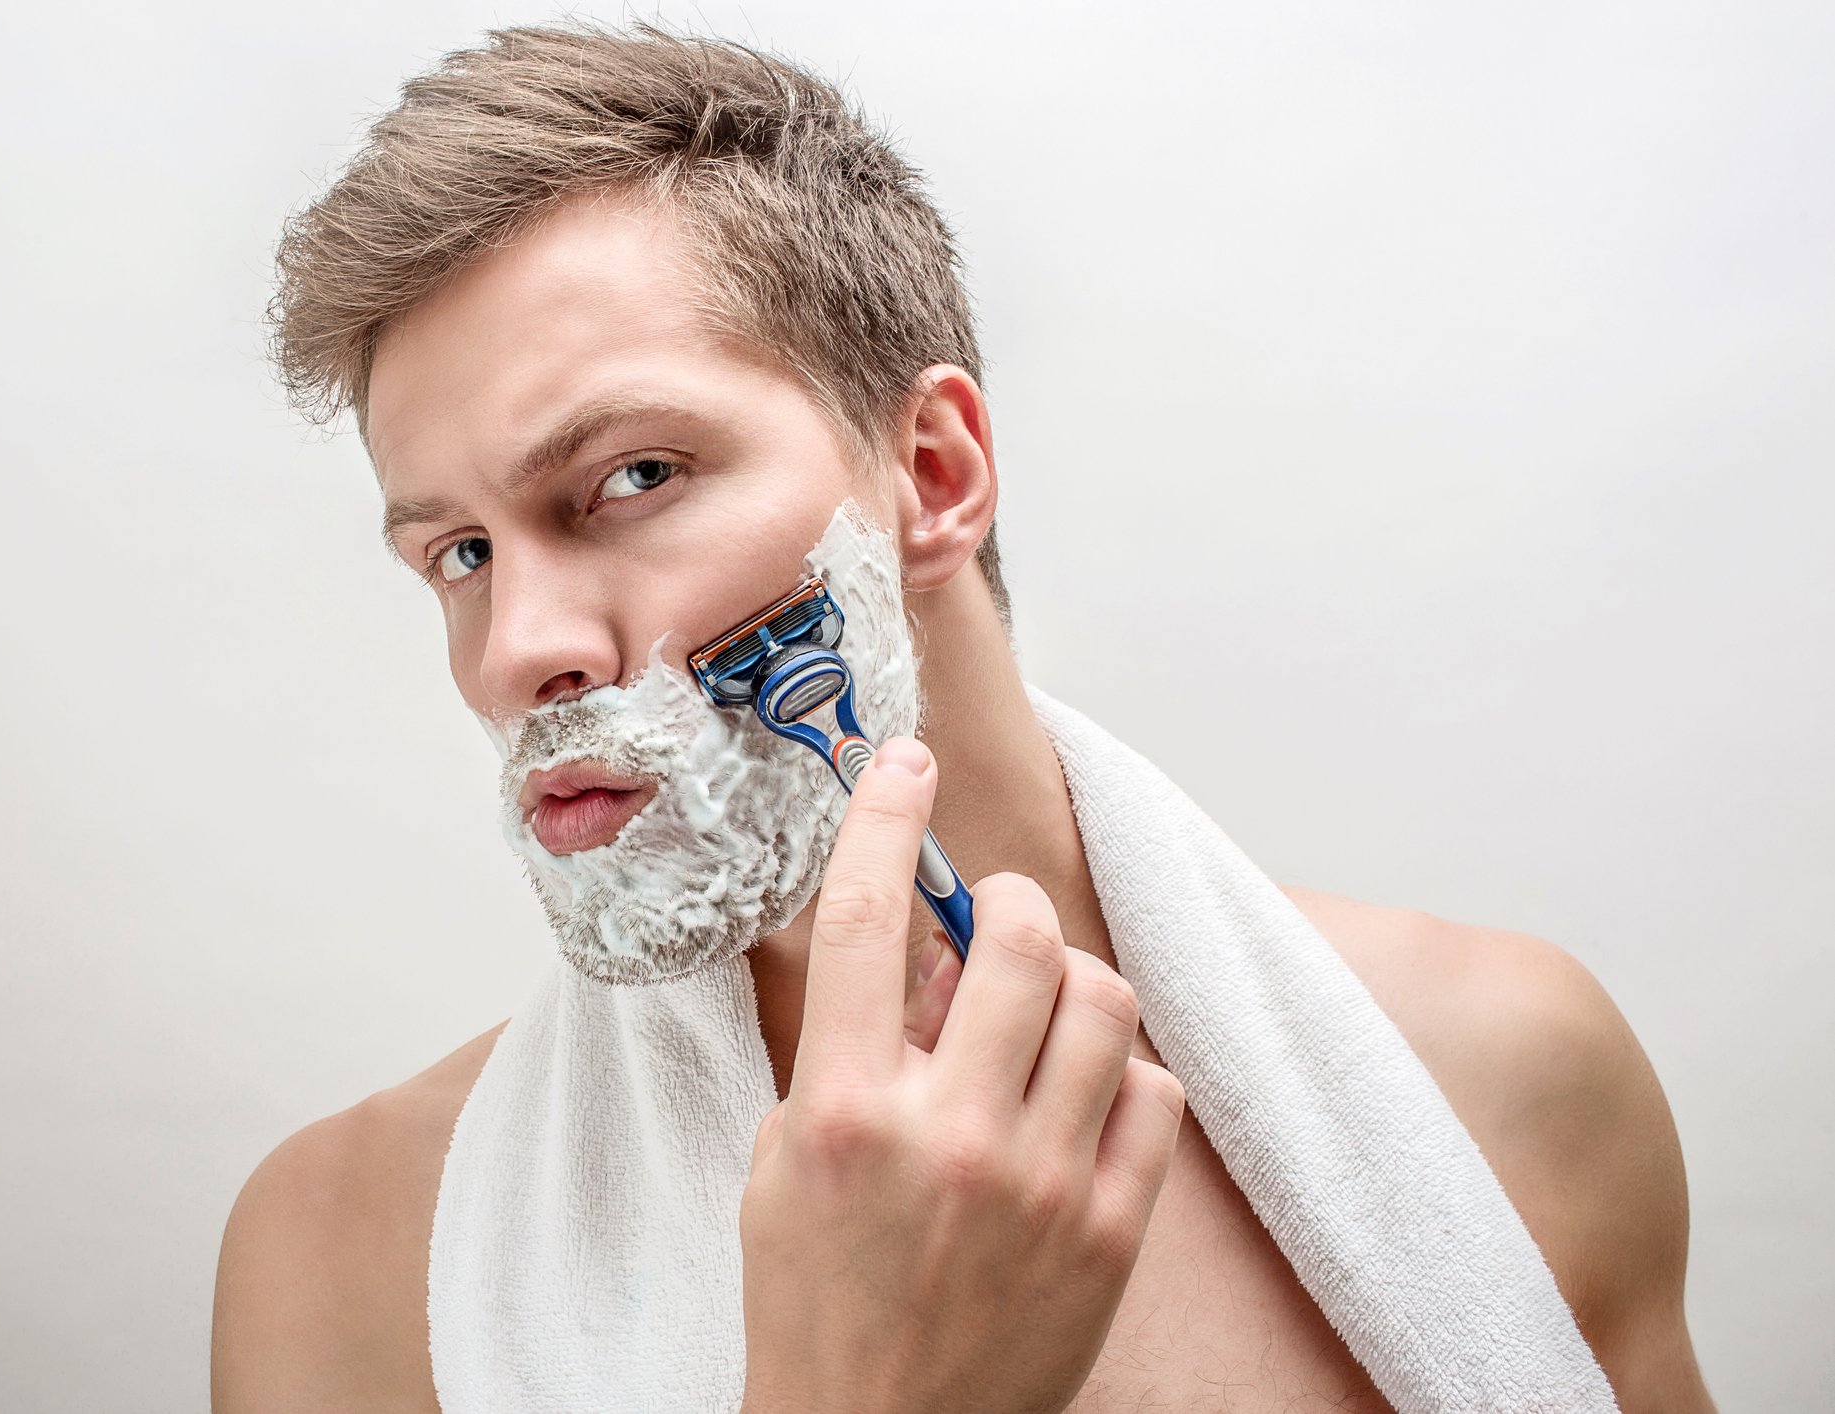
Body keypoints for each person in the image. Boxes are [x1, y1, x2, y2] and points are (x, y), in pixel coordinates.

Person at [211, 20, 1715, 1412]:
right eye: (458, 555)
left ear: (930, 473)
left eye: (631, 477)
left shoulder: (1503, 1078)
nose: (514, 652)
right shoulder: (345, 1261)